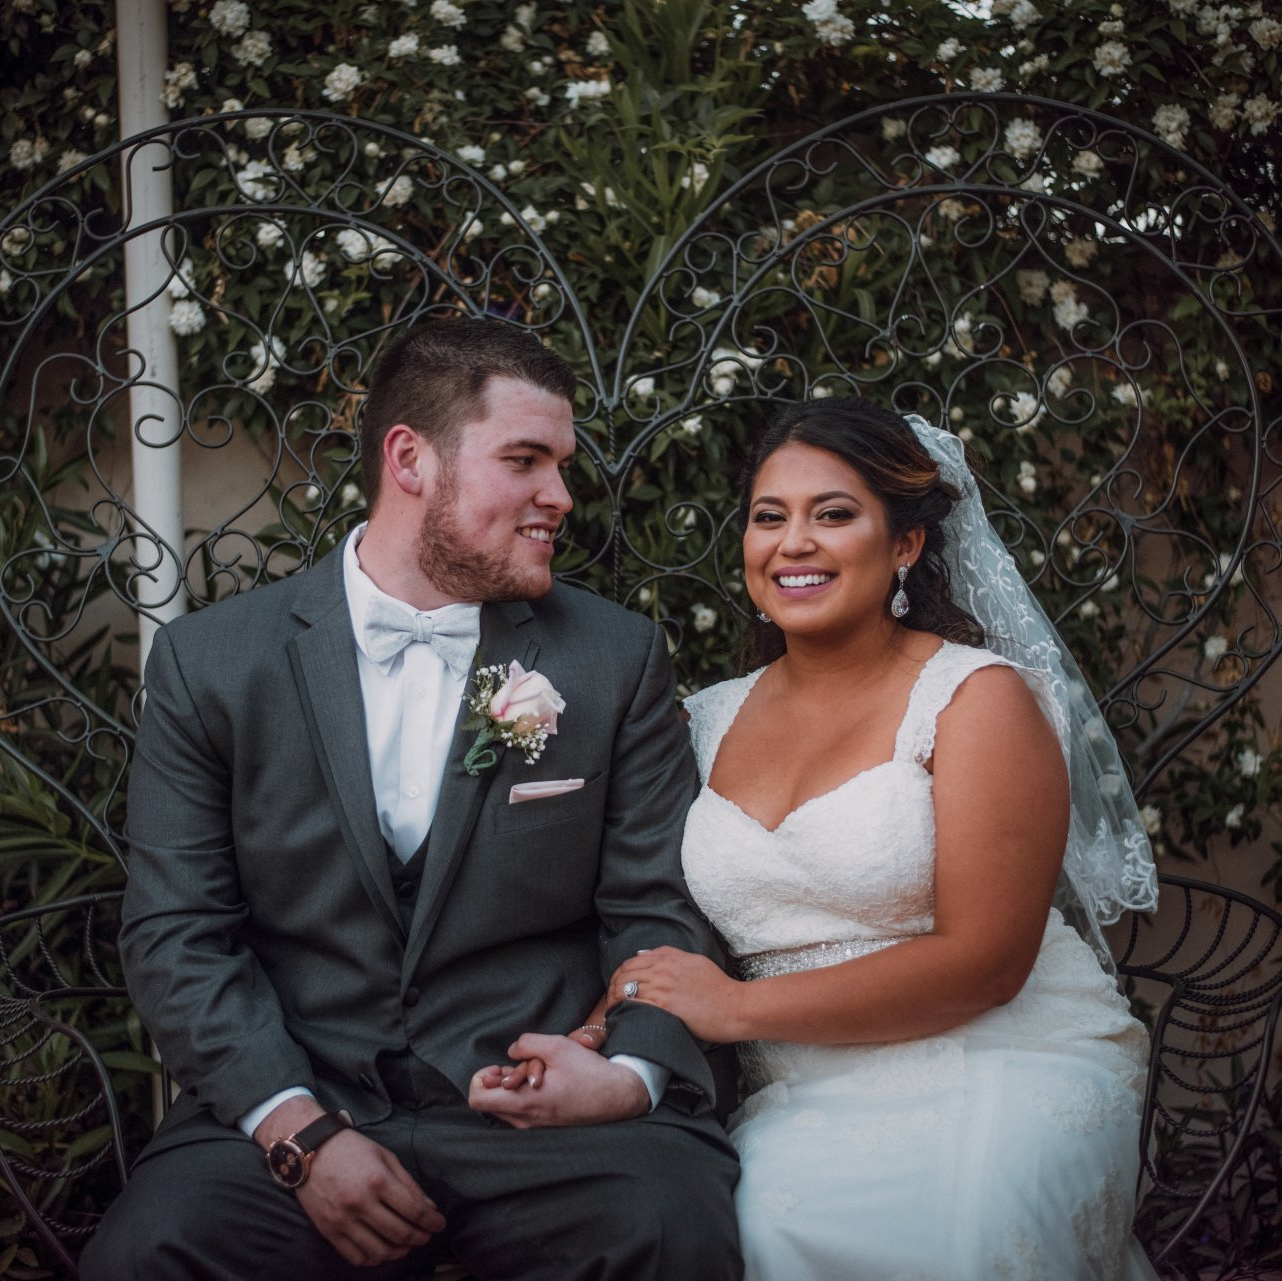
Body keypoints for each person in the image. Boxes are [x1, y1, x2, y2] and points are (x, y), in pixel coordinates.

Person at [80, 317, 741, 1281]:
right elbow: (177, 930)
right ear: (410, 459)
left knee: (671, 1229)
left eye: (561, 463)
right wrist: (295, 1128)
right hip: (305, 1095)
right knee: (147, 1254)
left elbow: (656, 907)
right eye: (525, 459)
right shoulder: (212, 663)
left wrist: (626, 1073)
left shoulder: (612, 657)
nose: (559, 496)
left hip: (542, 1112)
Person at [594, 398, 1162, 1279]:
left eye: (834, 514)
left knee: (964, 1235)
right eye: (769, 517)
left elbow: (986, 962)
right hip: (803, 1092)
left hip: (1007, 1056)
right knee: (758, 1237)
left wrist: (732, 1008)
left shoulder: (976, 701)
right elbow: (656, 919)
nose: (794, 543)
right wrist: (598, 1028)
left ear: (907, 544)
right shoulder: (699, 724)